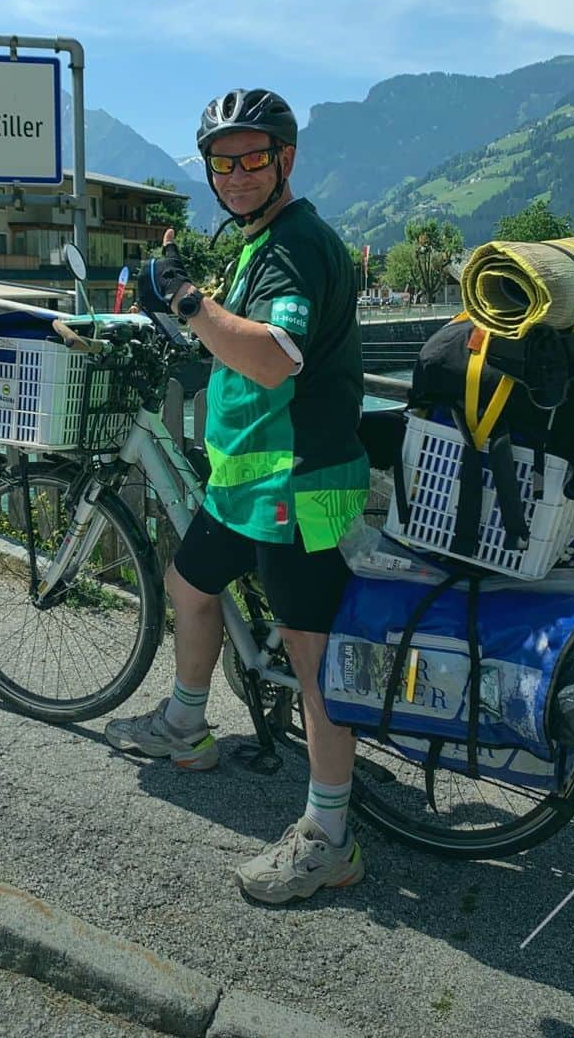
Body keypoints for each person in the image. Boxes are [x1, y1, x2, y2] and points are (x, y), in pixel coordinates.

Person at [105, 88, 370, 904]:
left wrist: (189, 302)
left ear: (284, 159)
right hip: (248, 481)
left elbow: (276, 356)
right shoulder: (263, 241)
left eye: (254, 157)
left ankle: (330, 836)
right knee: (191, 585)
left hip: (302, 485)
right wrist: (193, 311)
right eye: (224, 161)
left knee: (311, 656)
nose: (238, 173)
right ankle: (187, 727)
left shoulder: (294, 246)